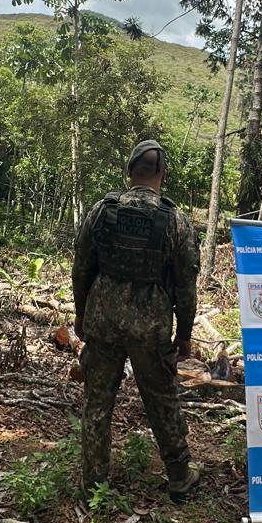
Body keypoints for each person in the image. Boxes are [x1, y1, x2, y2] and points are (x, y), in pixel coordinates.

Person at [72, 139, 201, 503]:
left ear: (129, 172)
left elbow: (82, 267)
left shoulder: (102, 210)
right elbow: (185, 284)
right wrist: (186, 334)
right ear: (162, 174)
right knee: (162, 399)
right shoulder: (175, 220)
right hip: (151, 327)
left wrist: (81, 313)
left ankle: (94, 485)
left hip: (103, 321)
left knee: (97, 402)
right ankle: (179, 477)